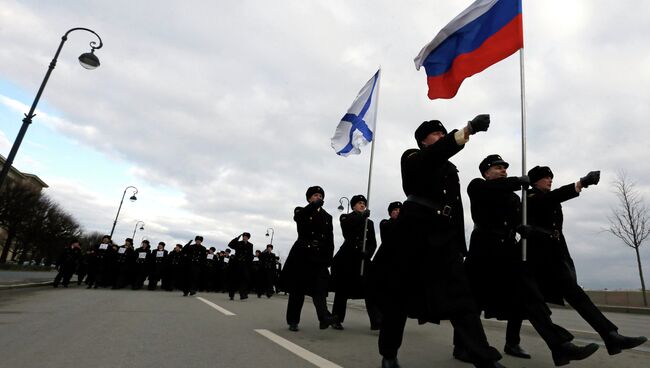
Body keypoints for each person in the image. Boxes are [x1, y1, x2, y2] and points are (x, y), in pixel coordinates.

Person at [376, 116, 505, 368]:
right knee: (399, 298)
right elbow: (431, 157)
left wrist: (460, 246)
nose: (441, 136)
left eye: (443, 133)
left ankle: (483, 357)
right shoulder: (413, 157)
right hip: (412, 236)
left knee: (463, 298)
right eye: (436, 134)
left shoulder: (449, 168)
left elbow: (454, 208)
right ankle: (389, 354)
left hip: (443, 239)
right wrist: (466, 131)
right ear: (423, 141)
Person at [462, 155, 600, 366]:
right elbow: (493, 190)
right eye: (498, 167)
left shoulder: (512, 197)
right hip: (483, 251)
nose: (503, 171)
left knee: (531, 299)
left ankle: (560, 347)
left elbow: (518, 221)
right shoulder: (478, 185)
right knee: (472, 303)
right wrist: (518, 180)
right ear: (485, 172)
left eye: (505, 168)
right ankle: (462, 347)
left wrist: (528, 230)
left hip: (507, 252)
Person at [526, 165, 647, 357]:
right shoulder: (530, 198)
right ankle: (600, 339)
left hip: (555, 258)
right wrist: (582, 183)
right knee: (530, 305)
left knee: (578, 298)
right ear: (534, 181)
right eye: (545, 177)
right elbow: (552, 197)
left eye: (551, 177)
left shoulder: (550, 200)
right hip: (539, 261)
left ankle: (610, 336)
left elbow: (557, 230)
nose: (550, 180)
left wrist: (566, 258)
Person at [281, 186, 336, 331]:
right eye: (315, 195)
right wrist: (312, 206)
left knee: (320, 288)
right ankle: (293, 320)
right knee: (297, 289)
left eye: (321, 195)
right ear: (309, 198)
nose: (319, 197)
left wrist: (329, 258)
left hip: (319, 256)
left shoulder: (327, 217)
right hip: (302, 254)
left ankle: (324, 317)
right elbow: (298, 218)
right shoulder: (301, 210)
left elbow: (330, 239)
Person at [331, 194, 381, 330]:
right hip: (347, 258)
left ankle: (376, 320)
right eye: (359, 203)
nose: (362, 205)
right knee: (342, 290)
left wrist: (368, 253)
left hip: (362, 259)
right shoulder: (346, 217)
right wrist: (362, 216)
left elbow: (373, 242)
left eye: (364, 203)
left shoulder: (369, 223)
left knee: (371, 288)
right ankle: (336, 318)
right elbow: (347, 231)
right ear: (353, 206)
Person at [227, 232, 254, 300]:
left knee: (244, 279)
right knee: (235, 279)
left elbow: (250, 254)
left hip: (245, 265)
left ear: (248, 238)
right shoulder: (238, 243)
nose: (244, 237)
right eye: (244, 236)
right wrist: (237, 238)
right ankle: (231, 294)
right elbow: (230, 245)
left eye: (246, 237)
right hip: (237, 264)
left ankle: (243, 295)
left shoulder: (250, 245)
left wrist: (250, 261)